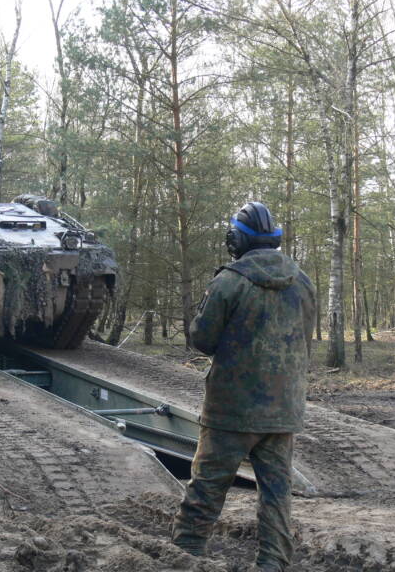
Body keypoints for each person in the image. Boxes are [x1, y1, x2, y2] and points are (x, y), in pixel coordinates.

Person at [171, 202, 315, 571]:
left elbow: (203, 339)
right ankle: (272, 564)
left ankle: (185, 558)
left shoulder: (229, 281)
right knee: (277, 496)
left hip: (230, 412)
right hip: (283, 412)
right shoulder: (303, 281)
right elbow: (303, 340)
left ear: (237, 240)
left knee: (206, 491)